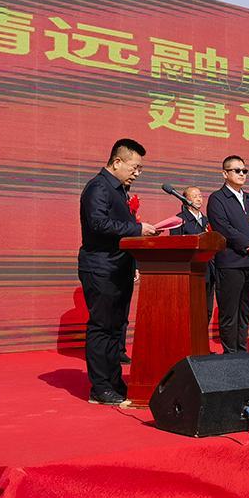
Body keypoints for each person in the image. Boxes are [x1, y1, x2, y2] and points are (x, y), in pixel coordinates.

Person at [78, 138, 157, 406]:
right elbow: (98, 223)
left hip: (119, 267)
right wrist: (138, 229)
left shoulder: (120, 190)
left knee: (115, 328)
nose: (137, 173)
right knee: (102, 327)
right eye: (135, 168)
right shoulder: (98, 187)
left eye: (140, 169)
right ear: (117, 162)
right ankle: (100, 387)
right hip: (101, 267)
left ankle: (113, 381)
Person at [207, 155, 249, 354]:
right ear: (225, 174)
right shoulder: (217, 198)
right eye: (237, 170)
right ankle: (230, 354)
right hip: (230, 263)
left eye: (244, 171)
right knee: (229, 312)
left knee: (245, 311)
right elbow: (223, 227)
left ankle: (242, 351)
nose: (242, 174)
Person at [170, 186, 217, 332]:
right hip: (190, 273)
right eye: (194, 196)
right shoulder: (179, 220)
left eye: (200, 196)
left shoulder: (207, 220)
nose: (199, 199)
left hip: (208, 272)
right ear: (185, 199)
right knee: (191, 310)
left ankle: (201, 340)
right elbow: (175, 247)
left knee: (206, 309)